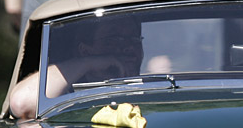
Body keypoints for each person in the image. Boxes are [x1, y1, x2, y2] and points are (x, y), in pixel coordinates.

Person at [8, 16, 144, 119]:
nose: (129, 47)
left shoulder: (155, 87)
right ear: (85, 51)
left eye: (134, 39)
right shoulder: (66, 97)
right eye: (114, 38)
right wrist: (88, 63)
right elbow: (22, 103)